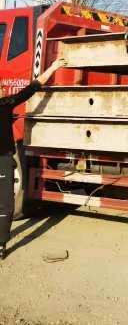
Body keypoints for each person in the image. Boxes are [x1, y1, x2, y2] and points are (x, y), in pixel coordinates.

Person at [0, 57, 67, 259]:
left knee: (6, 204)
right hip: (4, 159)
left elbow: (33, 87)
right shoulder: (6, 103)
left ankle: (1, 243)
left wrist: (53, 67)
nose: (3, 89)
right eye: (1, 88)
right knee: (5, 203)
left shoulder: (6, 104)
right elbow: (33, 88)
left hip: (4, 160)